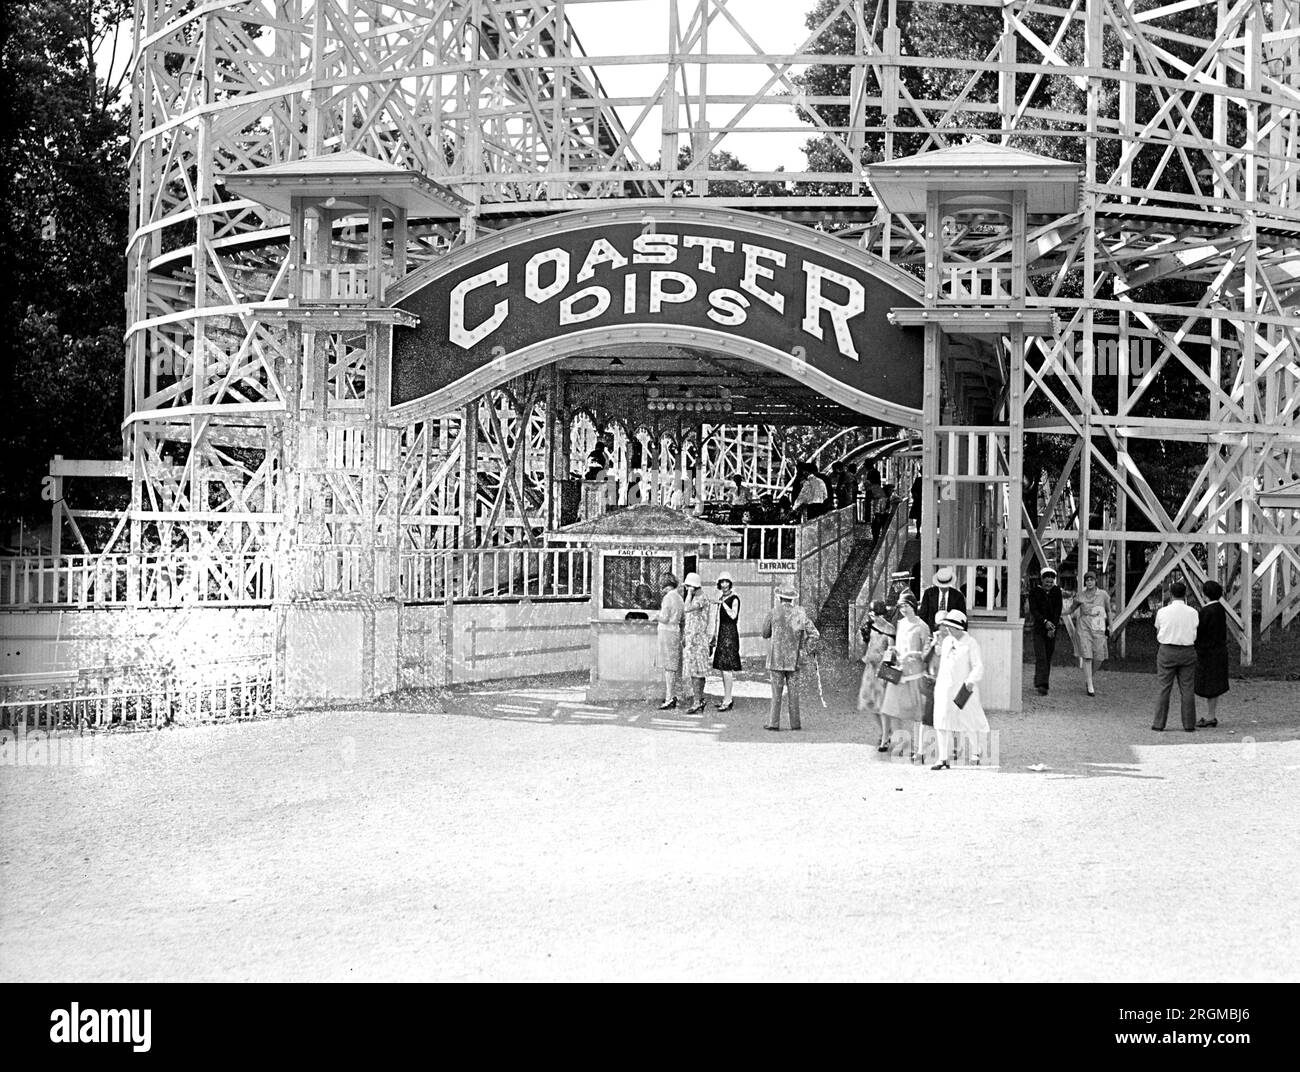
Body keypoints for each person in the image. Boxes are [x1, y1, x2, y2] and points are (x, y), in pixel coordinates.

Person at [930, 609, 990, 769]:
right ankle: (943, 758)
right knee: (941, 720)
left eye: (951, 626)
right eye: (947, 626)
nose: (948, 629)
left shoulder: (971, 643)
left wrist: (971, 681)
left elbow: (978, 666)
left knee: (968, 720)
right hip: (944, 686)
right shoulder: (947, 641)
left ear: (960, 628)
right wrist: (936, 645)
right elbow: (942, 658)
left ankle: (976, 752)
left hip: (963, 688)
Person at [761, 581, 820, 731]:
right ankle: (795, 723)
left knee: (776, 693)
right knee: (794, 694)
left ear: (779, 597)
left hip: (776, 659)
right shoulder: (800, 613)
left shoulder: (773, 612)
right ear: (793, 598)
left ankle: (773, 723)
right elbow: (815, 634)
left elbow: (765, 633)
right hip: (795, 660)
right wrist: (806, 649)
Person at [879, 590, 931, 742]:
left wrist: (914, 654)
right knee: (890, 708)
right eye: (901, 606)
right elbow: (898, 645)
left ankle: (919, 745)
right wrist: (893, 649)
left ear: (913, 606)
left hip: (915, 674)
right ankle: (897, 741)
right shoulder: (900, 624)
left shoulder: (922, 626)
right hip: (898, 671)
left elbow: (927, 652)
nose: (903, 609)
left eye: (906, 605)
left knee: (918, 712)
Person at [1152, 579, 1200, 732]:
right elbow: (1195, 628)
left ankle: (1159, 723)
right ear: (1185, 594)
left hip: (1167, 650)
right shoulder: (1193, 612)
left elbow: (1157, 628)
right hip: (1187, 650)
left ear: (1170, 594)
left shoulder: (1162, 612)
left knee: (1164, 687)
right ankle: (1189, 724)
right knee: (1187, 688)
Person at [857, 600, 896, 751]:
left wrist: (886, 669)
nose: (873, 617)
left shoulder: (889, 628)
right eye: (872, 614)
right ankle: (884, 731)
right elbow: (864, 646)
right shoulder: (869, 627)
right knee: (870, 703)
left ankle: (885, 738)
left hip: (883, 669)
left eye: (875, 614)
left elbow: (891, 650)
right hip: (870, 668)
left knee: (883, 705)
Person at [1068, 570, 1112, 697]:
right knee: (1087, 656)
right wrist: (1059, 612)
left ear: (1095, 580)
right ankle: (1090, 685)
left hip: (1098, 627)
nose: (1089, 582)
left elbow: (1108, 611)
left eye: (1091, 579)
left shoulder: (1103, 595)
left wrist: (1111, 626)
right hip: (1084, 627)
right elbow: (1071, 609)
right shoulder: (1080, 595)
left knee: (1099, 657)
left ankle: (1089, 678)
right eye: (1087, 580)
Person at [1194, 579, 1229, 727]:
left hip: (1208, 652)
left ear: (1205, 594)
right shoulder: (1220, 609)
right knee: (1214, 685)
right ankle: (1211, 714)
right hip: (1219, 650)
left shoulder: (1206, 611)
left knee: (1209, 685)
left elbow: (1200, 632)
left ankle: (1210, 716)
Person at [1027, 565, 1063, 695]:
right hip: (1039, 628)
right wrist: (1045, 622)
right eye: (1046, 582)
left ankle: (1043, 682)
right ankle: (1041, 684)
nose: (1049, 584)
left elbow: (1058, 610)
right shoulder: (1034, 592)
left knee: (1048, 656)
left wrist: (1053, 626)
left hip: (1052, 629)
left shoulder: (1057, 591)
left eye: (1051, 582)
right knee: (1041, 656)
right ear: (1042, 580)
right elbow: (1034, 610)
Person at [681, 572, 712, 715]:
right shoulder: (699, 598)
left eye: (688, 586)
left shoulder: (700, 598)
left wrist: (689, 594)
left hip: (698, 641)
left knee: (697, 673)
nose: (686, 588)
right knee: (697, 672)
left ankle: (697, 701)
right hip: (694, 640)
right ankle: (698, 700)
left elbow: (686, 608)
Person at [711, 571, 742, 711]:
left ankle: (728, 699)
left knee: (727, 668)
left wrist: (723, 603)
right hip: (722, 633)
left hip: (730, 634)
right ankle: (726, 697)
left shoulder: (734, 598)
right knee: (723, 669)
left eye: (726, 582)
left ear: (730, 583)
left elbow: (733, 615)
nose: (724, 584)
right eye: (722, 582)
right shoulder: (722, 597)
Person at [653, 573, 684, 709]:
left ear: (665, 585)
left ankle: (669, 697)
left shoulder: (668, 598)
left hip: (666, 632)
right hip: (675, 631)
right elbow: (682, 619)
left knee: (668, 668)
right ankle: (671, 695)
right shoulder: (679, 598)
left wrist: (655, 617)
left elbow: (664, 618)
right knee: (672, 667)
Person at [919, 565, 966, 632]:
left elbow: (962, 618)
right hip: (931, 631)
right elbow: (923, 614)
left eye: (946, 586)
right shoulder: (929, 594)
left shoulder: (957, 596)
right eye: (941, 586)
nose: (943, 588)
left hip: (951, 632)